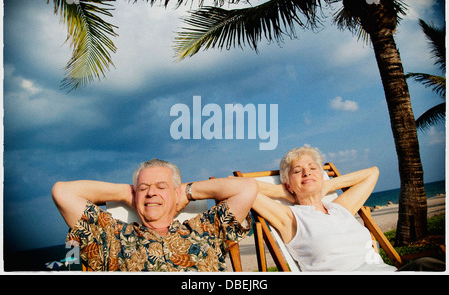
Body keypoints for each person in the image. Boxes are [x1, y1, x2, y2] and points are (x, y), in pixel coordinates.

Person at [252, 146, 445, 272]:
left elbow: (372, 173)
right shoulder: (291, 217)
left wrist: (326, 186)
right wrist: (281, 191)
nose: (307, 172)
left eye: (313, 168)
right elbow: (237, 187)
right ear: (288, 184)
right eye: (297, 171)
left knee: (427, 264)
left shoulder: (339, 208)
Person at [52, 159, 257, 271]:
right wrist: (126, 192)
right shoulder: (112, 237)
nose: (151, 192)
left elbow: (247, 188)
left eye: (161, 187)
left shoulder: (205, 229)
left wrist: (186, 192)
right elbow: (62, 192)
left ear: (176, 192)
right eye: (144, 188)